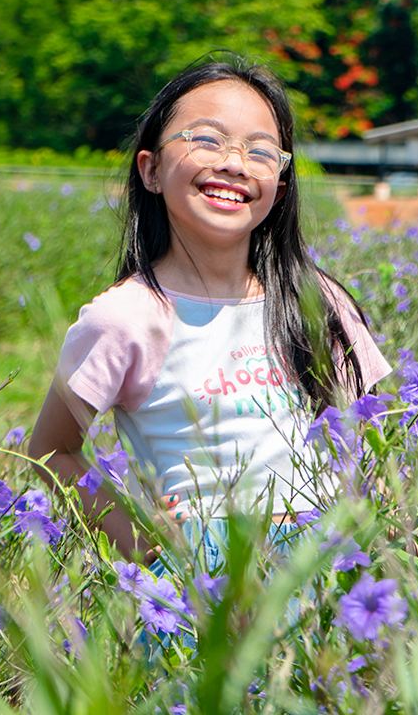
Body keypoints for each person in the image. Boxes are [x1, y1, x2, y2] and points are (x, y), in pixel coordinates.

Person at [29, 59, 390, 562]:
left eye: (260, 151)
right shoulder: (125, 318)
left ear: (279, 188)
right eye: (207, 140)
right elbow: (51, 452)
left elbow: (372, 439)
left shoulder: (316, 301)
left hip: (328, 560)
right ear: (150, 169)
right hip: (204, 575)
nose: (234, 163)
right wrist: (143, 548)